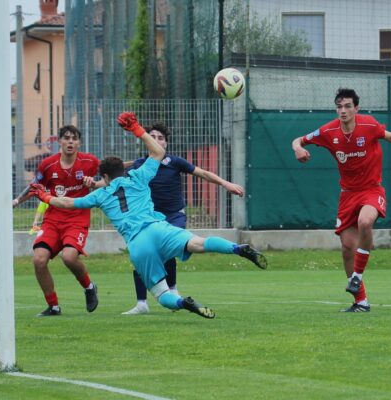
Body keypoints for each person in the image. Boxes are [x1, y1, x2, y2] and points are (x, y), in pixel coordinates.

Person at [29, 112, 267, 319]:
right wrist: (136, 129)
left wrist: (45, 196)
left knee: (162, 295)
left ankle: (183, 303)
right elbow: (159, 153)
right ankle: (238, 249)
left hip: (138, 244)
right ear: (124, 170)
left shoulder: (100, 195)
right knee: (199, 243)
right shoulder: (140, 176)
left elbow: (69, 203)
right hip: (158, 228)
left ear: (105, 176)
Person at [291, 88, 391, 312]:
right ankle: (360, 302)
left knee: (365, 222)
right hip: (347, 195)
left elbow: (389, 136)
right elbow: (299, 140)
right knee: (347, 248)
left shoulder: (369, 124)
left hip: (372, 190)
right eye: (339, 106)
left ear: (356, 108)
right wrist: (297, 148)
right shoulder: (328, 131)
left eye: (347, 106)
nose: (342, 111)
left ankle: (357, 275)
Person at [113, 122, 244, 315]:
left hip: (174, 216)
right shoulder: (140, 165)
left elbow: (204, 173)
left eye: (160, 138)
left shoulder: (175, 162)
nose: (156, 141)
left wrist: (226, 183)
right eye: (152, 137)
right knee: (143, 256)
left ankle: (172, 290)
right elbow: (115, 171)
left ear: (166, 143)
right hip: (148, 221)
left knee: (168, 250)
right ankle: (142, 303)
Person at [13, 125, 100, 317]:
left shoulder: (90, 162)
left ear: (79, 142)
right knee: (39, 260)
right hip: (52, 220)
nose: (70, 142)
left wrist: (94, 183)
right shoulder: (47, 164)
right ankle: (53, 307)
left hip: (77, 219)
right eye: (66, 138)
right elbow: (35, 187)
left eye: (74, 138)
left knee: (69, 257)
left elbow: (110, 174)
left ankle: (89, 287)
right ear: (59, 141)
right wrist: (17, 200)